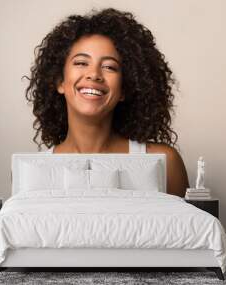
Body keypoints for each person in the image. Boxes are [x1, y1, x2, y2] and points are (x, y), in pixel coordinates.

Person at [24, 8, 189, 197]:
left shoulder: (164, 162)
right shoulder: (33, 170)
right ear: (59, 81)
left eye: (109, 67)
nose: (94, 74)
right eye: (81, 63)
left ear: (124, 89)